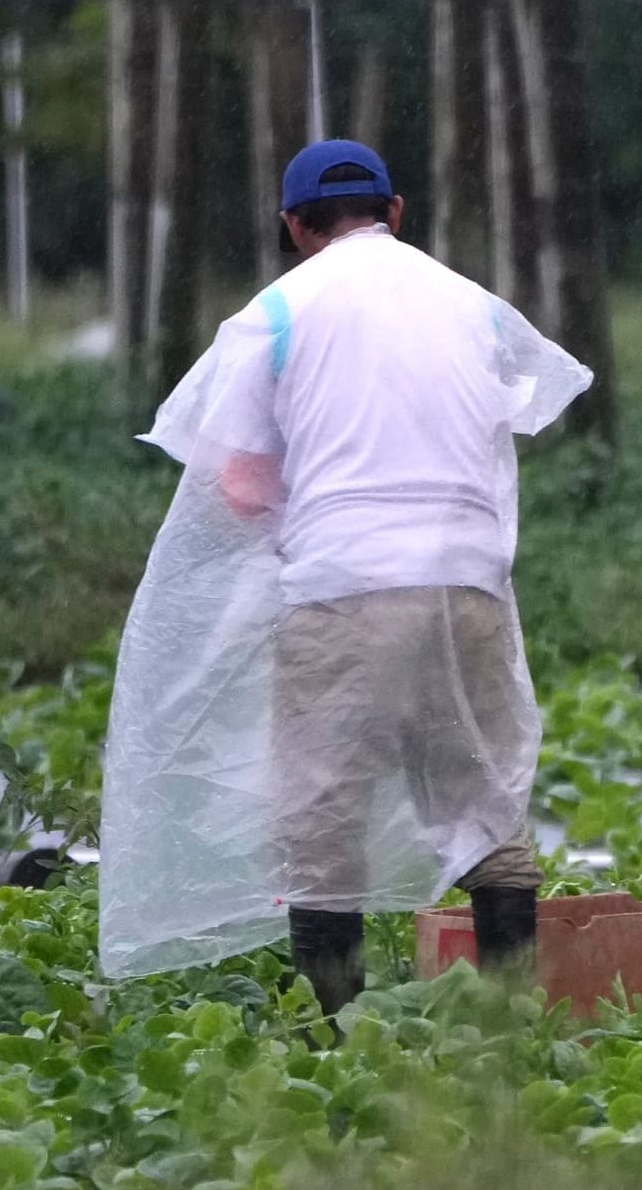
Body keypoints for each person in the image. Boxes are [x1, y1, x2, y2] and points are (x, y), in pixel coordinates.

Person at [99, 140, 592, 1014]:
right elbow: (510, 413)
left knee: (323, 815)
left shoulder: (281, 311)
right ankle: (513, 1023)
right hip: (468, 582)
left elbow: (243, 482)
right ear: (395, 212)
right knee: (482, 794)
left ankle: (333, 1033)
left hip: (346, 584)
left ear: (295, 228)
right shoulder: (470, 304)